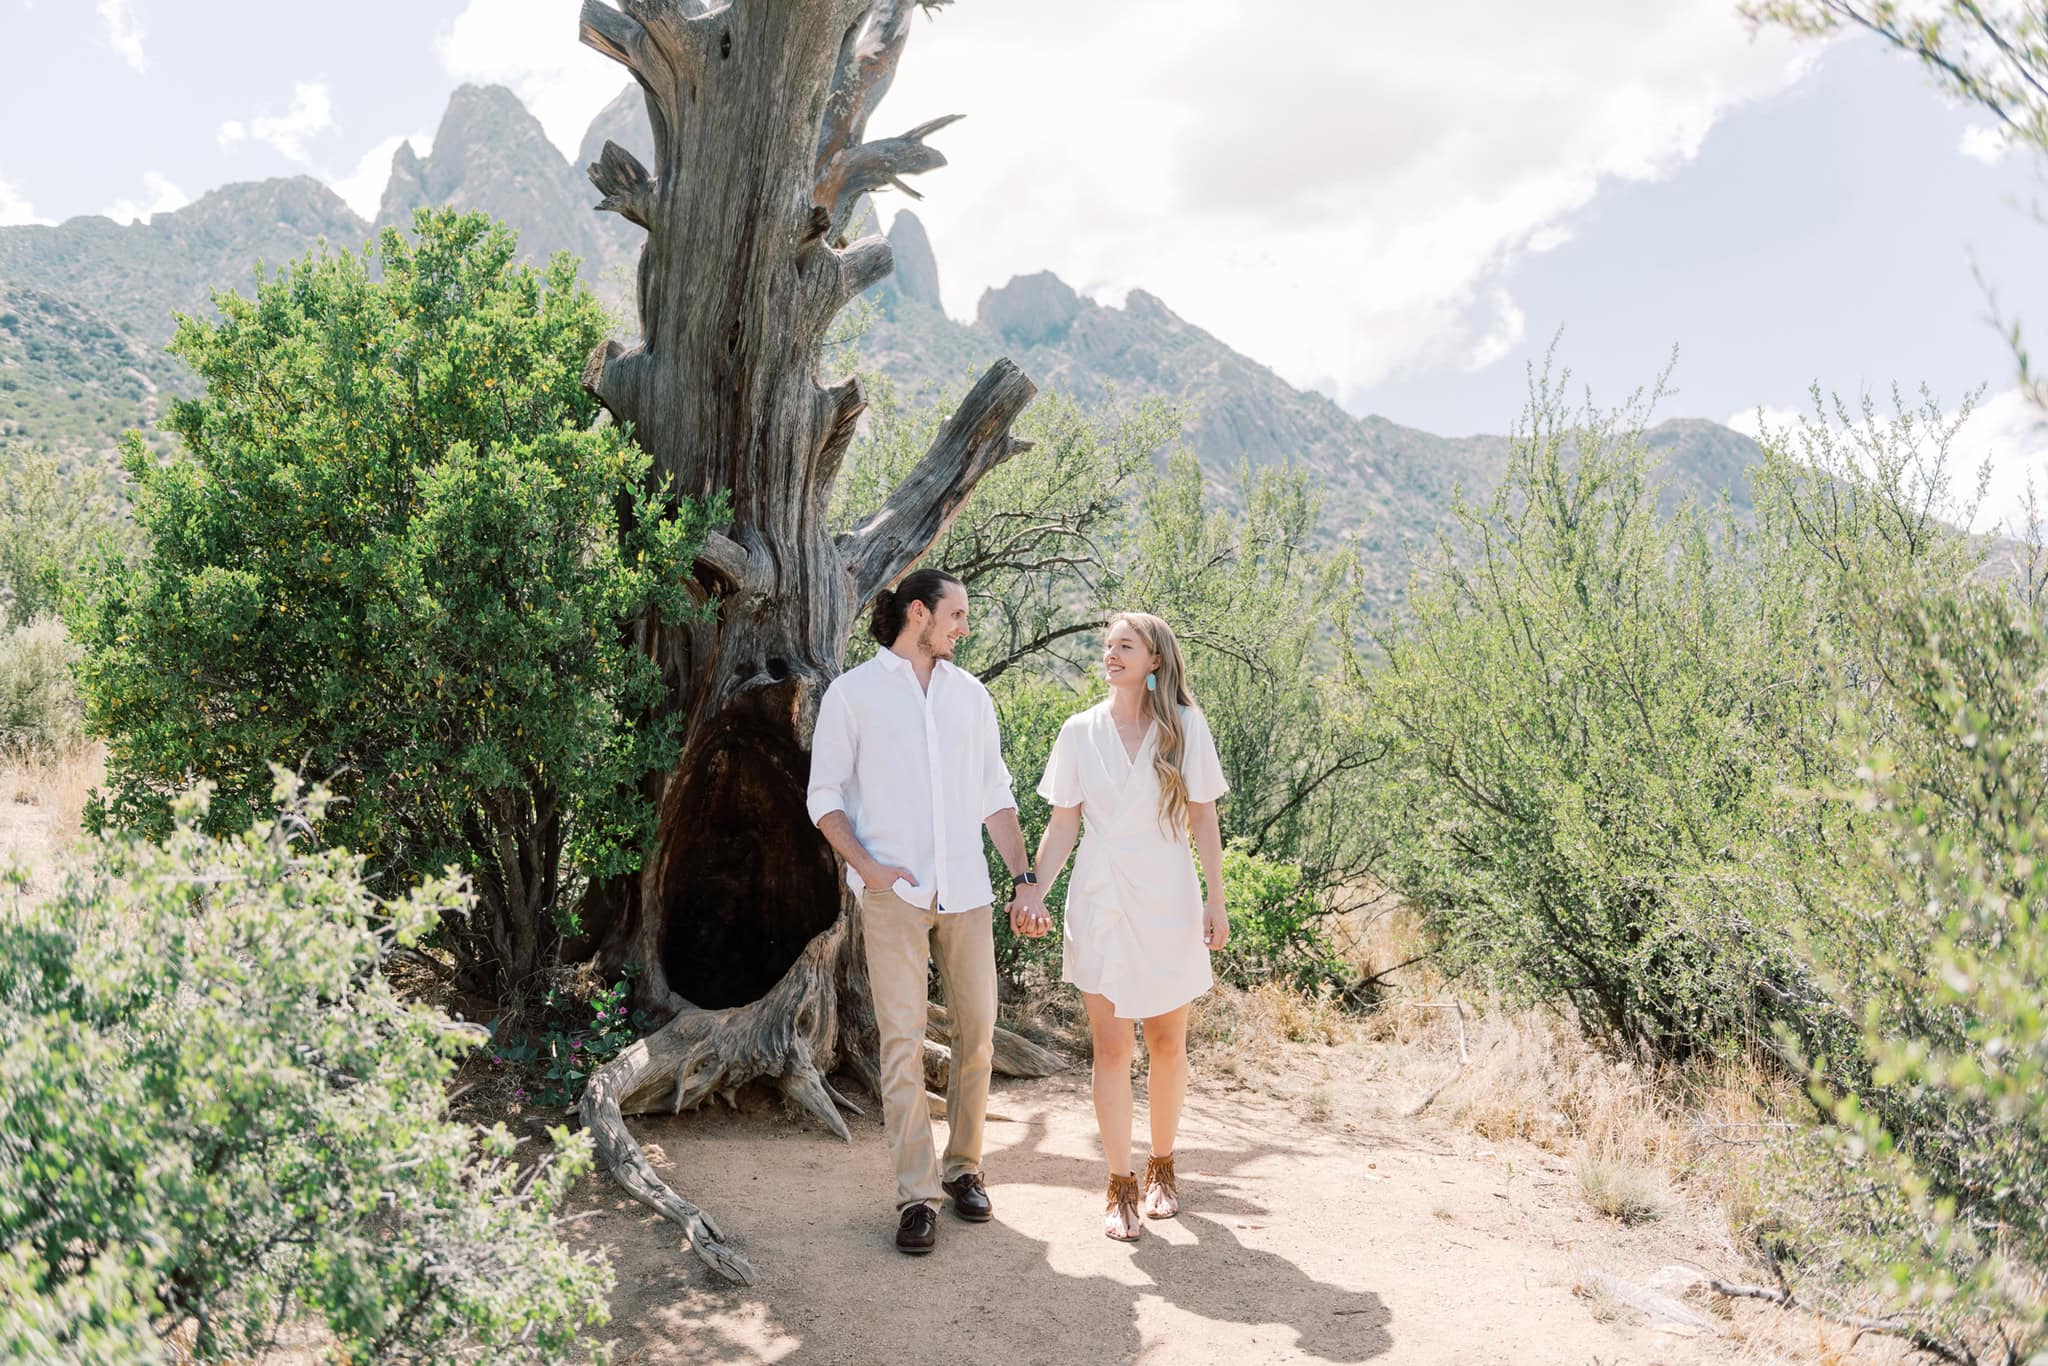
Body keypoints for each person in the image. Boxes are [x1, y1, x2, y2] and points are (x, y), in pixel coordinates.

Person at [806, 567, 1037, 1256]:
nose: (964, 627)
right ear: (918, 614)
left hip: (967, 892)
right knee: (901, 1043)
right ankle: (916, 1196)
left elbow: (996, 797)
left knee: (978, 1035)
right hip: (892, 899)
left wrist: (1024, 878)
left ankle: (964, 1168)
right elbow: (824, 797)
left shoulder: (971, 698)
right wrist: (867, 867)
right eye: (956, 614)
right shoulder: (853, 695)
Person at [1019, 611, 1229, 1241]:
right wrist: (1033, 888)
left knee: (1167, 1043)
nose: (1110, 655)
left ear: (1154, 660)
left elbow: (1204, 822)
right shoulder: (1079, 731)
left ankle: (1162, 1165)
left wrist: (1216, 901)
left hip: (1167, 894)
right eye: (1107, 646)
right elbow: (1063, 825)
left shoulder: (1186, 728)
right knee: (1111, 1047)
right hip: (1100, 895)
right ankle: (1119, 1186)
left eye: (1125, 646)